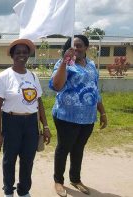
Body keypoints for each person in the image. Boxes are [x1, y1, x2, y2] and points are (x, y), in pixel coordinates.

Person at [49, 35, 108, 197]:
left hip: (87, 117)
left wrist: (102, 112)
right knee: (64, 148)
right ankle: (58, 181)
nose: (76, 49)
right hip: (66, 115)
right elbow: (56, 85)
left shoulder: (91, 65)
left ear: (86, 48)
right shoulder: (64, 64)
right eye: (73, 46)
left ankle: (75, 179)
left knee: (78, 148)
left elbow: (95, 90)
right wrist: (64, 62)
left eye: (79, 45)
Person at [0, 39, 51, 197]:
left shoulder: (33, 76)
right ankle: (8, 190)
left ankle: (24, 190)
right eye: (18, 52)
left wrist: (45, 126)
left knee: (28, 159)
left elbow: (39, 102)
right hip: (12, 122)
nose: (22, 55)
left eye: (25, 52)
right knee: (9, 159)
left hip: (31, 123)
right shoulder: (4, 77)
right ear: (12, 55)